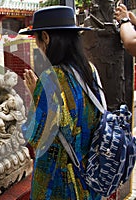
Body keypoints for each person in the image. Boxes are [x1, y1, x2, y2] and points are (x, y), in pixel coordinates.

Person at [19, 6, 103, 199]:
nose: (39, 47)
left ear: (46, 37)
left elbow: (36, 137)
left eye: (38, 40)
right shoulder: (90, 70)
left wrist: (35, 95)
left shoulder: (51, 79)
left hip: (60, 183)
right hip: (89, 178)